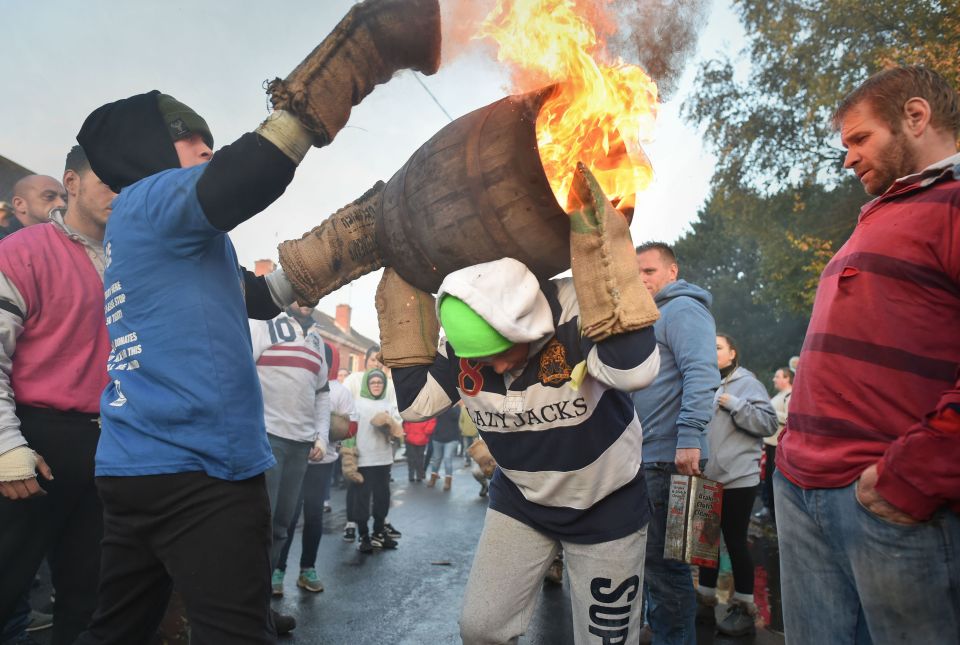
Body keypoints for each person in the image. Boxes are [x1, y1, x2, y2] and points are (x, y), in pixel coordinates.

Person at [70, 3, 439, 639]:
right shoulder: (153, 199)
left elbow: (261, 297)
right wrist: (341, 73)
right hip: (199, 470)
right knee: (236, 630)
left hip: (136, 467)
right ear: (151, 151)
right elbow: (252, 174)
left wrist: (345, 247)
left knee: (120, 628)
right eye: (195, 141)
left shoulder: (157, 238)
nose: (209, 150)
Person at [383, 165, 662, 644]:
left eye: (498, 355)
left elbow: (636, 371)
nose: (487, 370)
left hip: (605, 504)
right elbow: (415, 405)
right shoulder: (465, 346)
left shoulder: (575, 311)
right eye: (477, 360)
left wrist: (604, 259)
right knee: (481, 629)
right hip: (522, 502)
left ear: (527, 327)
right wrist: (402, 299)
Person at [775, 66, 960, 644]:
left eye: (860, 139)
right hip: (801, 489)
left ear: (915, 116)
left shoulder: (953, 204)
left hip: (885, 500)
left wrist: (915, 475)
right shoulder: (883, 214)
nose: (848, 158)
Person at [0, 146, 114, 645]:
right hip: (34, 439)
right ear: (72, 182)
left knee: (89, 601)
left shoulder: (132, 263)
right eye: (107, 181)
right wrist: (5, 444)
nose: (120, 193)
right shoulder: (22, 250)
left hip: (108, 447)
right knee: (5, 589)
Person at [631, 241, 719, 645]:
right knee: (657, 562)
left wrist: (689, 439)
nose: (641, 279)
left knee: (670, 566)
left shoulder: (683, 309)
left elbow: (702, 375)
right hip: (650, 458)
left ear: (671, 271)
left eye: (648, 271)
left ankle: (674, 637)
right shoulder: (651, 316)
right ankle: (664, 629)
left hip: (672, 459)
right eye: (636, 273)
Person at [695, 334, 777, 637]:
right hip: (704, 476)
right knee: (704, 544)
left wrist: (735, 404)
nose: (711, 351)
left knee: (735, 540)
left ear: (732, 353)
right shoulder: (699, 380)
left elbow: (768, 424)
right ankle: (704, 601)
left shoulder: (747, 383)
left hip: (738, 478)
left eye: (717, 347)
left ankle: (743, 608)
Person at [249, 307, 329, 593]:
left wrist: (321, 438)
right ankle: (246, 606)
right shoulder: (262, 323)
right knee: (259, 526)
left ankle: (262, 605)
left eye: (315, 291)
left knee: (282, 526)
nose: (308, 297)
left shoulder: (318, 339)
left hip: (301, 445)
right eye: (302, 287)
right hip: (267, 439)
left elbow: (322, 394)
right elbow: (240, 374)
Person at [275, 343, 355, 595]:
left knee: (313, 517)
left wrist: (330, 429)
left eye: (323, 358)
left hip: (322, 464)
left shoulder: (340, 391)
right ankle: (277, 570)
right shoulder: (297, 382)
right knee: (285, 517)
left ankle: (307, 570)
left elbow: (351, 428)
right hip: (293, 460)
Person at [352, 369, 403, 553]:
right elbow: (350, 431)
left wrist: (391, 428)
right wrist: (349, 456)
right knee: (362, 500)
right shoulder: (356, 404)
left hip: (383, 458)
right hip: (364, 459)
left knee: (382, 498)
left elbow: (398, 432)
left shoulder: (388, 405)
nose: (376, 385)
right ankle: (363, 535)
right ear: (366, 384)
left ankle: (378, 533)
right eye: (372, 382)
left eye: (379, 383)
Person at [758, 366, 792, 521]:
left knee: (774, 480)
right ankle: (769, 510)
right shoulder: (779, 395)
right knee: (767, 479)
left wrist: (769, 411)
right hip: (769, 444)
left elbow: (789, 419)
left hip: (778, 446)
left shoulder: (790, 396)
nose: (774, 379)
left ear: (787, 378)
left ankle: (774, 514)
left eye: (778, 376)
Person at [425, 403, 461, 491]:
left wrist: (448, 406)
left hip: (451, 438)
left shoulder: (456, 407)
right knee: (436, 459)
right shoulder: (438, 406)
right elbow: (431, 413)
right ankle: (433, 478)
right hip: (438, 437)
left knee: (447, 458)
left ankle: (447, 481)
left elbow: (455, 416)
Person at [403, 417, 435, 483]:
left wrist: (408, 432)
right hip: (421, 438)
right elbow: (431, 423)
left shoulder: (412, 411)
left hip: (411, 437)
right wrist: (426, 432)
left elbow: (406, 422)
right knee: (419, 458)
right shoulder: (427, 412)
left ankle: (411, 476)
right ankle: (418, 476)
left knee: (412, 458)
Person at [459, 398, 479, 466]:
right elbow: (460, 421)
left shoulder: (476, 409)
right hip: (465, 433)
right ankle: (468, 461)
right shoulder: (463, 409)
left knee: (476, 448)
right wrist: (462, 429)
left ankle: (476, 461)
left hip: (475, 433)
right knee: (466, 448)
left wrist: (477, 430)